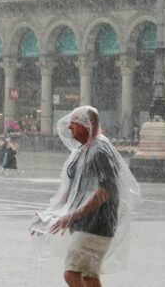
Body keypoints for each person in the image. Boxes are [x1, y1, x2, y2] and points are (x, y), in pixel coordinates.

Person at [29, 106, 141, 287]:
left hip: (96, 225)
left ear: (88, 124)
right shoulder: (86, 151)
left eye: (73, 122)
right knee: (89, 276)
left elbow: (104, 192)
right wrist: (50, 217)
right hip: (91, 225)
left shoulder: (99, 152)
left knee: (72, 273)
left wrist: (72, 216)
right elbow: (74, 192)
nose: (69, 127)